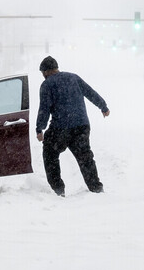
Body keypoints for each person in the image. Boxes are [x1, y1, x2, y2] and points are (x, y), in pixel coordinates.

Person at [35, 55, 110, 196]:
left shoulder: (47, 84)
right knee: (85, 157)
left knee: (50, 154)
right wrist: (103, 106)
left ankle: (58, 190)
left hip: (61, 128)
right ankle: (96, 188)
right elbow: (90, 92)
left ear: (45, 72)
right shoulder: (73, 78)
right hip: (81, 126)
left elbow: (44, 109)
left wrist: (40, 129)